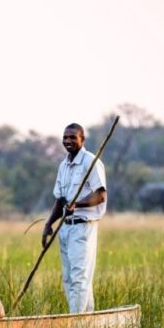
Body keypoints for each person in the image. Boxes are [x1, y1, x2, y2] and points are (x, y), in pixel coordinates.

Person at [41, 123, 107, 313]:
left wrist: (77, 204)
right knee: (70, 278)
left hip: (83, 227)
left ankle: (75, 324)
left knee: (80, 278)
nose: (68, 141)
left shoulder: (91, 162)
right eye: (65, 137)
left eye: (73, 137)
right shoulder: (64, 165)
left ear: (82, 140)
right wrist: (48, 224)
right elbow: (60, 200)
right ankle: (86, 323)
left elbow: (100, 195)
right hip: (65, 227)